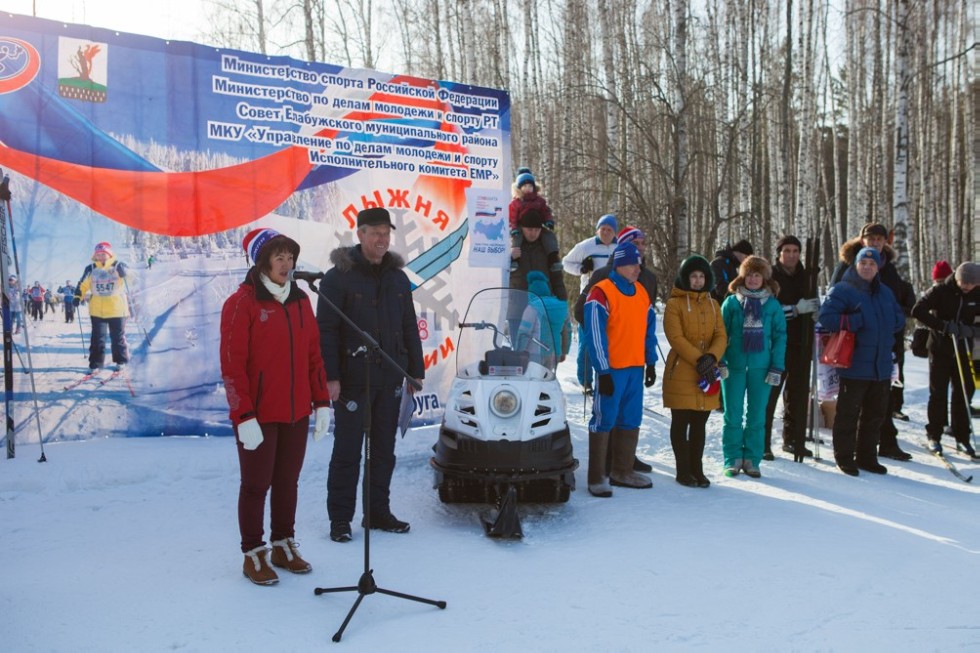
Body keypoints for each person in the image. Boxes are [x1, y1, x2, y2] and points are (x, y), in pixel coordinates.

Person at [220, 227, 331, 586]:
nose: (286, 264)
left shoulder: (301, 301)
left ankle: (283, 544)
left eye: (290, 257)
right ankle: (253, 553)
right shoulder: (241, 303)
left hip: (296, 412)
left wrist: (321, 402)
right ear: (262, 262)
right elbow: (232, 366)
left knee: (288, 482)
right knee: (256, 485)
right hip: (258, 415)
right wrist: (243, 416)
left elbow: (314, 356)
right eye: (278, 257)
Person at [318, 207, 425, 543]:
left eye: (386, 233)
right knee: (348, 452)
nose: (382, 239)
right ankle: (340, 519)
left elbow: (409, 326)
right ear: (360, 234)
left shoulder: (398, 279)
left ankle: (377, 512)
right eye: (375, 232)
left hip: (390, 376)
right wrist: (331, 376)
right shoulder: (337, 278)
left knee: (383, 452)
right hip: (353, 379)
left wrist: (415, 371)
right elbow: (326, 332)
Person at [574, 225, 659, 472]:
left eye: (642, 243)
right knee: (608, 412)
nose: (640, 248)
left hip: (634, 360)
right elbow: (583, 312)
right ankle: (605, 464)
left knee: (629, 413)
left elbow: (647, 324)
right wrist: (600, 349)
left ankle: (625, 461)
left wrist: (650, 360)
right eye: (635, 243)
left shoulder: (647, 279)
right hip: (612, 358)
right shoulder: (603, 276)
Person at [830, 222, 914, 460]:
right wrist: (858, 320)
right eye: (871, 238)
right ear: (862, 239)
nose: (875, 242)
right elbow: (834, 301)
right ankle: (848, 452)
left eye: (879, 239)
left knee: (883, 398)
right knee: (853, 403)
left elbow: (896, 299)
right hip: (855, 345)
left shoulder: (889, 267)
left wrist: (900, 313)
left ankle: (884, 443)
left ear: (885, 241)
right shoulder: (849, 264)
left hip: (886, 342)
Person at [818, 247, 905, 476]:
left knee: (875, 415)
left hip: (881, 365)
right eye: (863, 263)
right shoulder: (843, 289)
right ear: (855, 265)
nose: (867, 267)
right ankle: (844, 457)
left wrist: (894, 323)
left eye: (872, 264)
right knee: (848, 414)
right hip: (854, 363)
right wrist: (853, 321)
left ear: (878, 267)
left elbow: (899, 318)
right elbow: (826, 317)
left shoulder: (885, 292)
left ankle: (867, 457)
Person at [662, 255, 727, 488]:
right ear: (685, 278)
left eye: (701, 276)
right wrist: (700, 359)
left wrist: (711, 357)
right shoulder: (674, 304)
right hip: (682, 371)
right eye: (693, 276)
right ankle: (683, 470)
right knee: (681, 423)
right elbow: (675, 337)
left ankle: (697, 469)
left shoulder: (713, 304)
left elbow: (721, 335)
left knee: (700, 424)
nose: (698, 280)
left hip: (706, 373)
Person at [720, 256, 787, 478]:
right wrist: (720, 360)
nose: (753, 279)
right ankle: (732, 459)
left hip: (762, 368)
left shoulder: (772, 305)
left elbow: (780, 337)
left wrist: (777, 366)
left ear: (764, 278)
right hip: (734, 366)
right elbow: (720, 334)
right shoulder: (731, 303)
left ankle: (752, 460)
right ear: (743, 276)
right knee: (733, 414)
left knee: (757, 416)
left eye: (757, 275)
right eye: (749, 274)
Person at [911, 262, 980, 459]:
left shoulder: (977, 293)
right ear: (956, 278)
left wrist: (970, 330)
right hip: (940, 348)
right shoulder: (941, 291)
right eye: (964, 282)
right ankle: (934, 435)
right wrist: (942, 326)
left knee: (964, 393)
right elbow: (918, 310)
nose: (967, 287)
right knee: (938, 393)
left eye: (972, 284)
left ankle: (962, 436)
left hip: (964, 349)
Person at [764, 235, 820, 460]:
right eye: (786, 250)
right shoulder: (770, 277)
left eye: (795, 251)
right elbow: (767, 311)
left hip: (801, 343)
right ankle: (762, 441)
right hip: (776, 345)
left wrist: (816, 311)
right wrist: (795, 310)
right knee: (770, 394)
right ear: (779, 253)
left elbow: (814, 303)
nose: (791, 255)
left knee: (797, 395)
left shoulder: (806, 277)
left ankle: (793, 439)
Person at [562, 214, 618, 390]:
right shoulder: (586, 246)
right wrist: (582, 268)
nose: (606, 232)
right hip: (590, 298)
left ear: (615, 232)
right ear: (597, 230)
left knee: (611, 342)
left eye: (609, 230)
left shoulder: (620, 247)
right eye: (603, 229)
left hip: (614, 300)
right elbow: (566, 262)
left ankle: (607, 377)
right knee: (587, 342)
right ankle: (586, 381)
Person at [73, 242, 131, 371]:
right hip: (97, 310)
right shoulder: (91, 268)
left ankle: (120, 361)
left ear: (109, 254)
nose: (101, 256)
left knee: (117, 337)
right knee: (97, 338)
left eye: (103, 254)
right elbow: (83, 284)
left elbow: (131, 279)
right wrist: (77, 296)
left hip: (117, 309)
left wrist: (126, 271)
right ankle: (95, 364)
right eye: (98, 254)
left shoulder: (118, 266)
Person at [517, 271, 570, 369]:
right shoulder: (561, 307)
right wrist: (564, 351)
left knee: (534, 378)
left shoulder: (532, 307)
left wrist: (518, 353)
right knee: (549, 377)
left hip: (534, 354)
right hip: (554, 353)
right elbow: (567, 331)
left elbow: (524, 333)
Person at [508, 170, 558, 270]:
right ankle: (515, 260)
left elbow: (545, 211)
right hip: (520, 225)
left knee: (548, 235)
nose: (528, 189)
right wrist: (513, 228)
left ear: (534, 187)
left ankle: (553, 258)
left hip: (538, 224)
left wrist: (548, 220)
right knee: (517, 238)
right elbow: (512, 217)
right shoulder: (516, 202)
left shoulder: (539, 201)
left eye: (530, 186)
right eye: (525, 186)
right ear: (519, 188)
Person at [710, 239, 753, 304]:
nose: (746, 260)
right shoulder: (718, 263)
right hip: (718, 305)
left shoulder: (737, 267)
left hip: (733, 304)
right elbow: (720, 288)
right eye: (746, 257)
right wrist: (742, 293)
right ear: (738, 252)